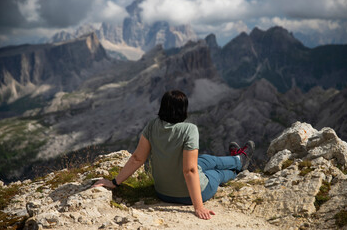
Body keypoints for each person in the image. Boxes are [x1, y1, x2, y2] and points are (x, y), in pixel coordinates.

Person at [92, 90, 254, 220]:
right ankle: (237, 169)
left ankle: (238, 159)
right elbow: (189, 170)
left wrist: (114, 182)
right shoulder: (189, 129)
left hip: (162, 191)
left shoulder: (152, 125)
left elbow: (137, 158)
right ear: (183, 109)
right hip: (190, 195)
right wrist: (198, 207)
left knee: (203, 160)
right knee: (216, 174)